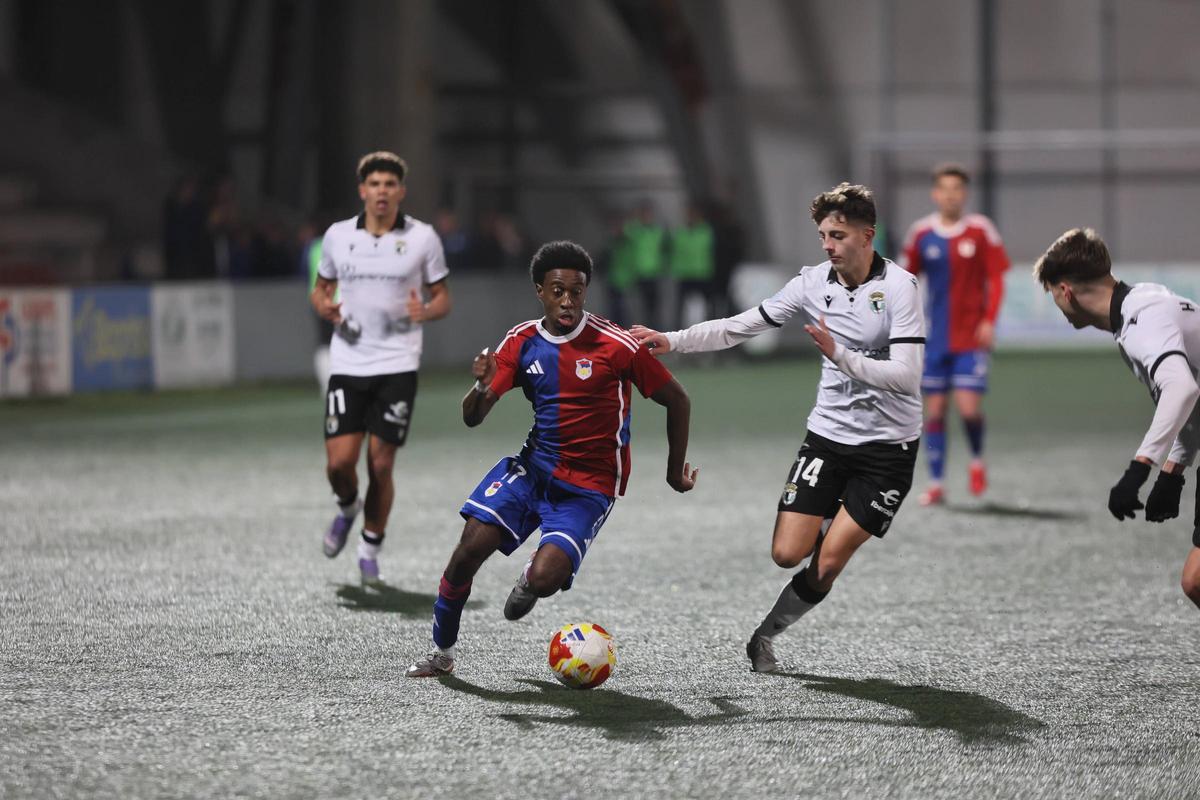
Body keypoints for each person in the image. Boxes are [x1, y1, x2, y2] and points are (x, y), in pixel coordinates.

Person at [633, 183, 925, 672]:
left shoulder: (899, 287)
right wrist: (672, 339)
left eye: (838, 235)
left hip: (887, 449)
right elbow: (740, 325)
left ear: (867, 235)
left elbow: (907, 377)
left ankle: (765, 636)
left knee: (825, 566)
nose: (828, 245)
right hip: (828, 438)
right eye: (823, 235)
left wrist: (841, 356)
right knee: (787, 554)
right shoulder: (811, 283)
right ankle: (829, 515)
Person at [406, 240, 696, 677]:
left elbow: (678, 399)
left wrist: (674, 472)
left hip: (590, 487)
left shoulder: (617, 345)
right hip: (534, 469)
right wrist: (481, 386)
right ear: (540, 291)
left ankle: (530, 578)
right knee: (468, 550)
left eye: (576, 292)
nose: (568, 301)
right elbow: (472, 417)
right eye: (557, 291)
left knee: (545, 579)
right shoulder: (522, 341)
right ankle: (442, 653)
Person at [1033, 227, 1200, 612]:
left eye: (1052, 294)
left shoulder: (1141, 319)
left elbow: (1181, 390)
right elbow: (1193, 396)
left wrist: (1139, 469)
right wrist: (1172, 473)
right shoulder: (1141, 304)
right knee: (1195, 580)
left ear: (1065, 291)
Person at [310, 151, 451, 585]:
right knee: (339, 465)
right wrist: (324, 306)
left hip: (397, 363)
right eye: (375, 184)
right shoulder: (338, 236)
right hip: (348, 362)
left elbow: (442, 298)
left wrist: (425, 311)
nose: (382, 191)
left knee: (382, 464)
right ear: (362, 190)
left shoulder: (422, 238)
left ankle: (370, 547)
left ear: (401, 191)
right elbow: (320, 289)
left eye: (390, 184)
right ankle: (347, 506)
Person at [900, 163, 1010, 506]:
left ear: (965, 194)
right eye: (945, 189)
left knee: (968, 409)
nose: (951, 195)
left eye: (957, 189)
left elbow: (997, 278)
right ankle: (936, 483)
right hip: (933, 339)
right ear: (935, 194)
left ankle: (976, 460)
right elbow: (904, 280)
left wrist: (989, 320)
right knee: (934, 411)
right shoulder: (921, 233)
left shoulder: (981, 230)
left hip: (970, 339)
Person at [669, 201, 716, 329]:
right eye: (689, 214)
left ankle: (711, 329)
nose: (691, 217)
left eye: (694, 214)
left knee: (708, 304)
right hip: (685, 273)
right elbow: (674, 251)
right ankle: (678, 330)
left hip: (702, 272)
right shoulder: (680, 232)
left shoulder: (706, 231)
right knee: (681, 306)